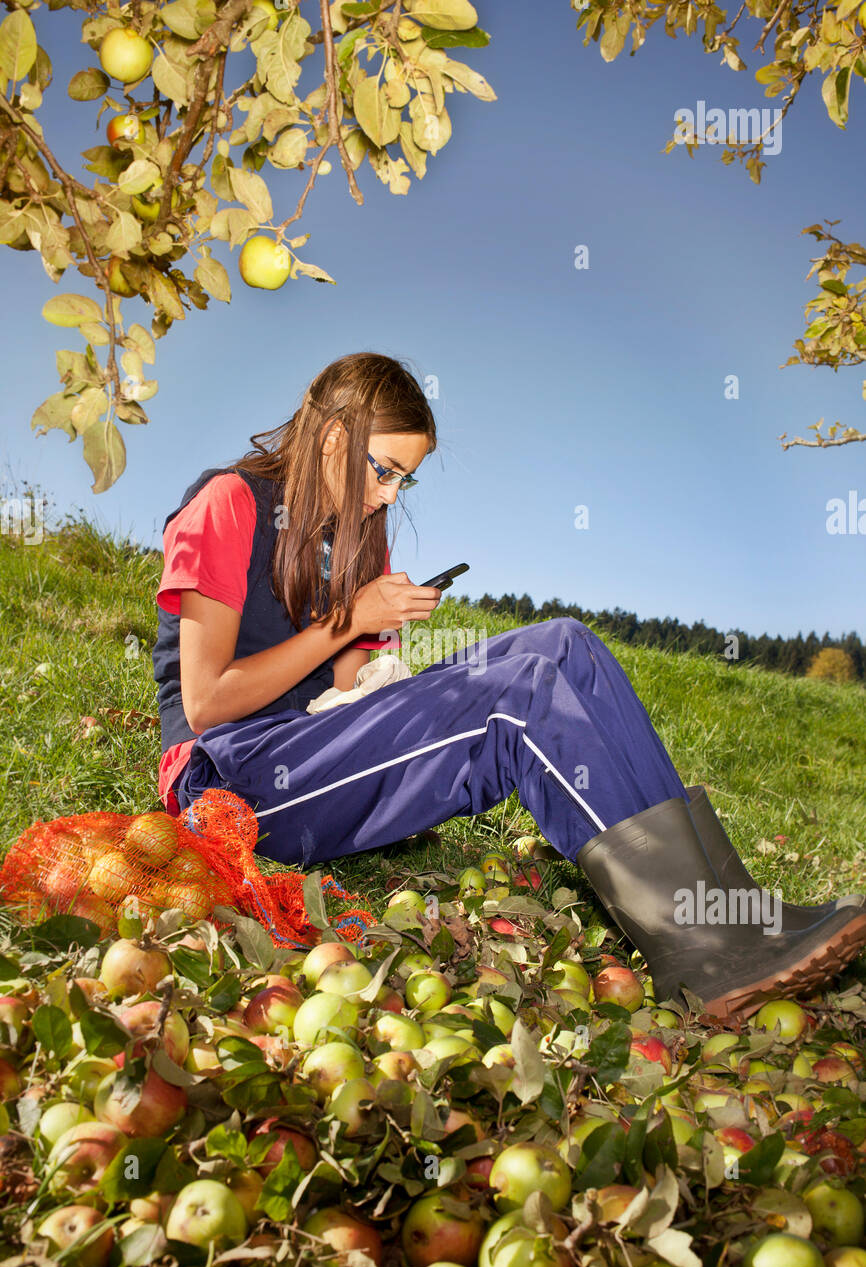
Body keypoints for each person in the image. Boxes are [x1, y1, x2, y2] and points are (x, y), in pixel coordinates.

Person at [152, 351, 866, 1021]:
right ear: (335, 438)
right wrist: (348, 622)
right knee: (518, 694)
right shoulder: (229, 502)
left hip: (315, 751)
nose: (390, 495)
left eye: (406, 479)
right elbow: (207, 704)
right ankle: (701, 953)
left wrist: (378, 658)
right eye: (383, 470)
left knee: (565, 644)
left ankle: (734, 910)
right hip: (230, 784)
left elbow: (341, 696)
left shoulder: (360, 539)